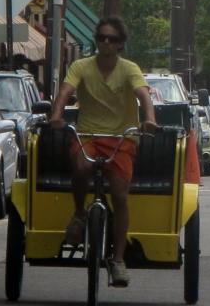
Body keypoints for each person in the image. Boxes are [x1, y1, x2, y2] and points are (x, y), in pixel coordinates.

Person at [49, 16, 157, 288]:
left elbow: (143, 95)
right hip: (87, 133)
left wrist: (150, 119)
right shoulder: (81, 66)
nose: (106, 43)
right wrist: (57, 114)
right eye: (102, 38)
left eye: (113, 39)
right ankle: (78, 214)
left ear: (121, 44)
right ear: (97, 41)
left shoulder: (129, 69)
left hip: (122, 136)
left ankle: (118, 260)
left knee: (120, 195)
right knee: (82, 167)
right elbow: (65, 91)